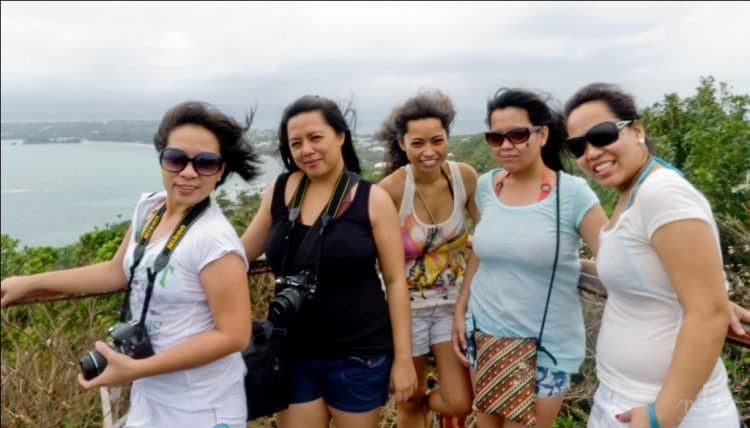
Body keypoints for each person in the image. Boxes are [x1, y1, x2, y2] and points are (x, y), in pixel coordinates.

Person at [1, 101, 259, 427]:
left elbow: (234, 335)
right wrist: (31, 282)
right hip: (152, 395)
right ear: (162, 159)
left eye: (205, 163)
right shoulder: (149, 209)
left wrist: (136, 369)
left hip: (203, 405)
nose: (188, 172)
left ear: (220, 171)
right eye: (176, 159)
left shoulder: (214, 241)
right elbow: (115, 271)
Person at [564, 83, 741, 427]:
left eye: (601, 135)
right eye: (578, 146)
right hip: (624, 398)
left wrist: (663, 415)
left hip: (673, 410)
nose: (591, 153)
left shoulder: (663, 193)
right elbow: (641, 272)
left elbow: (708, 314)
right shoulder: (633, 193)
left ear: (638, 130)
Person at [239, 95, 417, 428]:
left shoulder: (372, 199)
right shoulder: (279, 190)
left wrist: (404, 359)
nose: (306, 149)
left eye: (315, 137)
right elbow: (239, 256)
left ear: (340, 136)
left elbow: (395, 282)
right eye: (296, 143)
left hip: (358, 353)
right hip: (292, 349)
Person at [452, 88, 609, 428]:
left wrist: (694, 290)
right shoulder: (486, 187)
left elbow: (619, 259)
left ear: (543, 135)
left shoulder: (572, 194)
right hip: (487, 336)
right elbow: (483, 253)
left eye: (518, 134)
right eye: (495, 137)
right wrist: (461, 311)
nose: (506, 145)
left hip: (545, 349)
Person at [376, 90, 477, 428]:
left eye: (437, 140)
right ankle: (417, 408)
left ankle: (424, 406)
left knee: (461, 401)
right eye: (418, 143)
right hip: (405, 311)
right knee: (408, 403)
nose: (429, 151)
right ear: (402, 144)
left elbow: (488, 236)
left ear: (448, 138)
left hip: (452, 306)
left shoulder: (463, 178)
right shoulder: (390, 191)